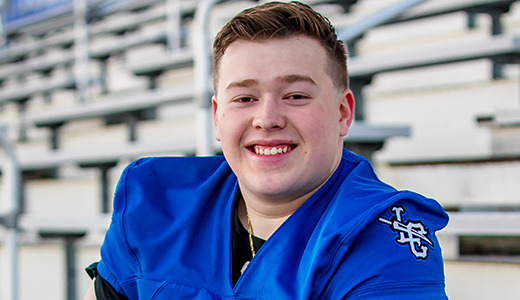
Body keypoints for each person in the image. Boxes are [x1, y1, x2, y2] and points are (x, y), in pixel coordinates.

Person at [84, 1, 449, 299]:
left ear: (342, 112)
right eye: (245, 97)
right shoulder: (155, 202)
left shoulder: (384, 242)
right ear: (217, 116)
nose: (267, 118)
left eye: (295, 96)